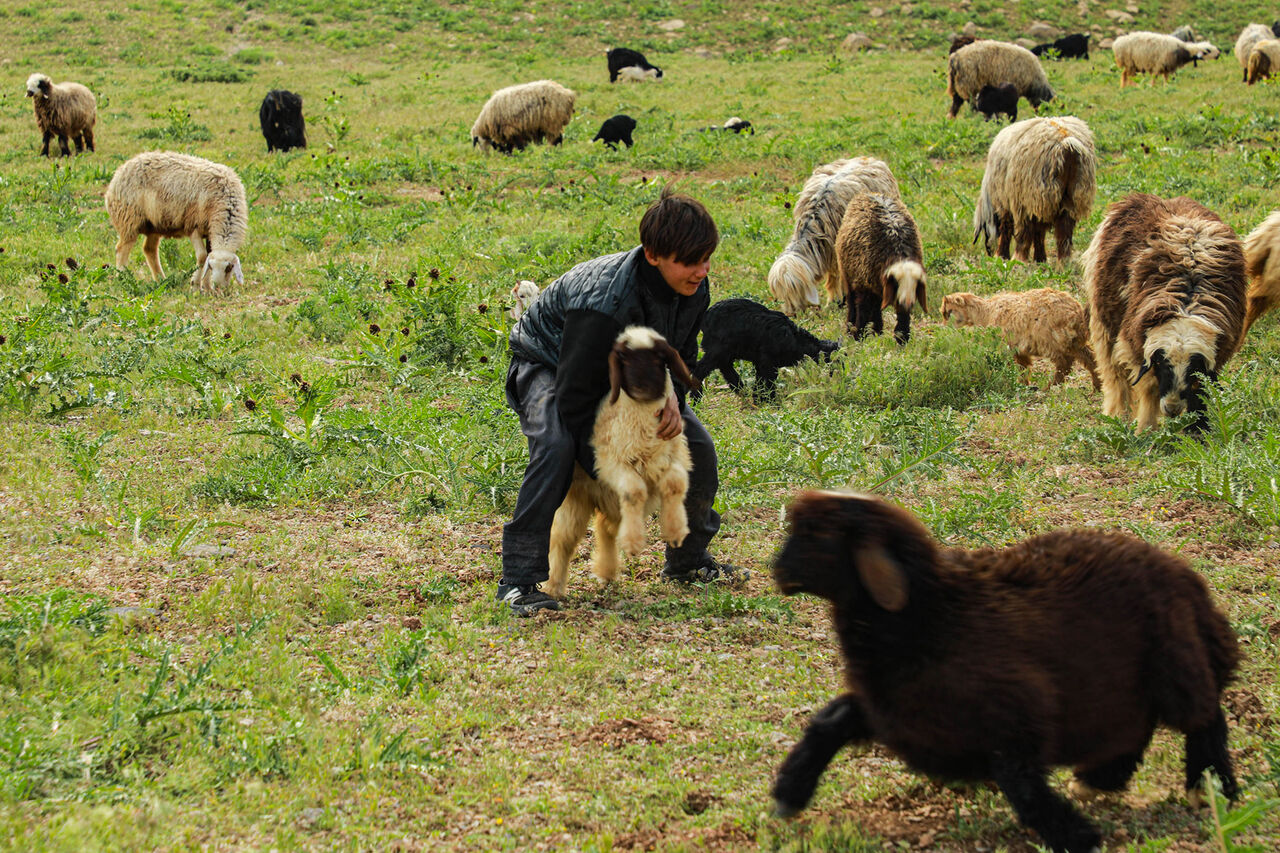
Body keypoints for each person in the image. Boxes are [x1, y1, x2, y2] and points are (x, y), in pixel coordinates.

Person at [498, 188, 747, 616]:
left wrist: (675, 398)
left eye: (707, 258)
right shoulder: (605, 302)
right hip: (548, 362)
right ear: (653, 255)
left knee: (698, 447)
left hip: (629, 376)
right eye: (690, 261)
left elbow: (683, 357)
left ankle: (687, 561)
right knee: (556, 446)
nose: (702, 271)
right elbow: (576, 396)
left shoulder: (694, 288)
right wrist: (608, 469)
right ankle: (518, 581)